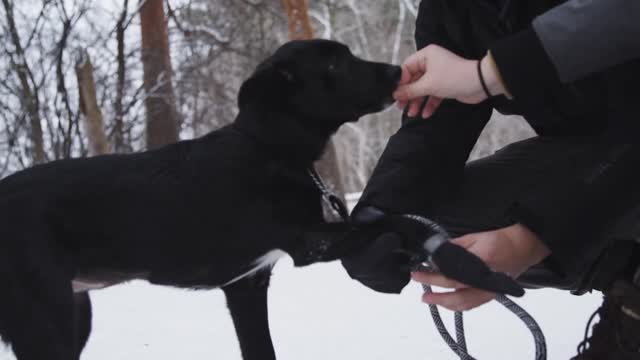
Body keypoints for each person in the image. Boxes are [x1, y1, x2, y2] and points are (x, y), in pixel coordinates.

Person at [341, 1, 640, 359]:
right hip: (594, 155)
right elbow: (443, 112)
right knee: (428, 223)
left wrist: (533, 236)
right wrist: (381, 212)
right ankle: (629, 285)